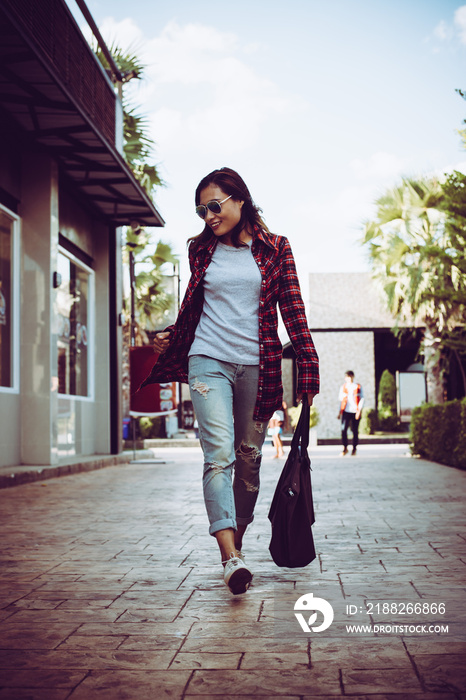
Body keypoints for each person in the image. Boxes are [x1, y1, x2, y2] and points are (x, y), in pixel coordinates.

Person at [140, 167, 319, 595]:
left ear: (240, 199)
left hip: (259, 366)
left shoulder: (276, 249)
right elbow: (194, 305)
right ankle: (229, 555)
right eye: (201, 209)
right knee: (217, 455)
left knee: (248, 460)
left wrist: (308, 366)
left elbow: (293, 311)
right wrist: (174, 336)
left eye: (214, 206)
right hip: (208, 361)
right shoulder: (201, 250)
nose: (208, 216)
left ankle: (235, 541)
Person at [338, 370, 364, 456]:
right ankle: (345, 448)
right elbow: (341, 400)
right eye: (347, 377)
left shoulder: (358, 386)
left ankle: (354, 449)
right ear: (345, 378)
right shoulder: (343, 387)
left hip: (355, 411)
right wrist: (339, 412)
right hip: (346, 411)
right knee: (343, 429)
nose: (349, 378)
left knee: (355, 430)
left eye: (350, 376)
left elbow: (362, 398)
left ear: (353, 376)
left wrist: (359, 410)